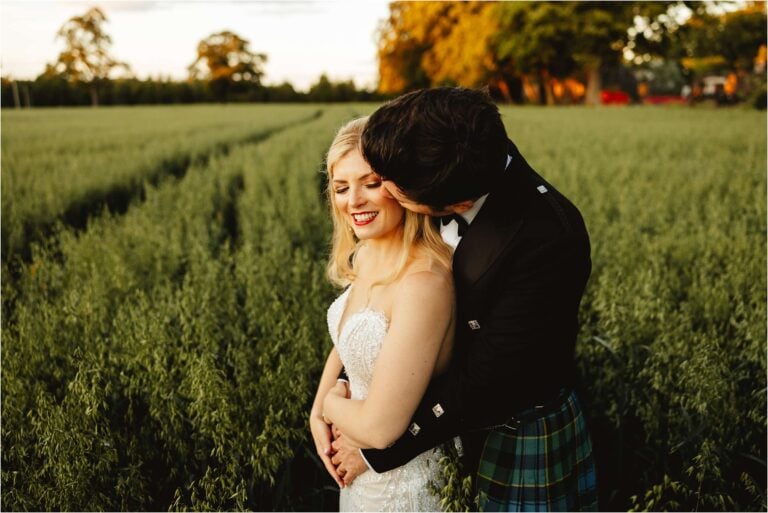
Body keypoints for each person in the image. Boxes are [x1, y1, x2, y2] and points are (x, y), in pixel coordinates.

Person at [330, 87, 598, 512]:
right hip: (410, 411)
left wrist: (374, 449)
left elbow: (489, 379)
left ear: (456, 204)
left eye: (385, 186)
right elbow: (377, 313)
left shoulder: (547, 236)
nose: (376, 194)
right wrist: (342, 383)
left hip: (509, 426)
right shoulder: (435, 152)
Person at [309, 116, 458, 511]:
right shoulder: (369, 252)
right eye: (342, 188)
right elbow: (349, 337)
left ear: (403, 187)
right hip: (357, 482)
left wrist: (330, 406)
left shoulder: (424, 282)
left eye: (371, 184)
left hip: (406, 487)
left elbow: (379, 428)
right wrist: (318, 407)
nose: (353, 201)